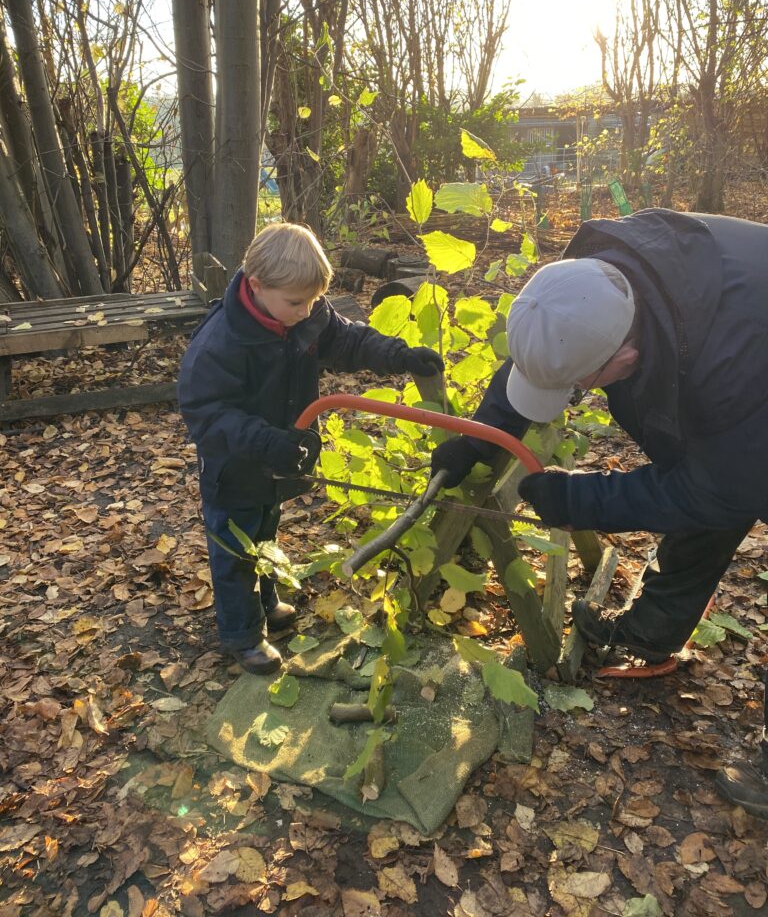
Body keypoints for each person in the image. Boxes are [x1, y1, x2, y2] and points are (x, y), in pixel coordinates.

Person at [430, 207, 768, 812]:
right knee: (703, 494)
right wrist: (477, 440)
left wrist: (584, 500)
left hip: (754, 389)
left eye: (585, 383)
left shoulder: (732, 360)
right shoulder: (588, 292)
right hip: (735, 414)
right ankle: (650, 637)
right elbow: (544, 355)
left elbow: (719, 490)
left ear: (624, 361)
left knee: (712, 489)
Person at [179, 222, 442, 675]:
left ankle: (266, 600)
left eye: (313, 301)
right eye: (296, 302)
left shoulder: (303, 314)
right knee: (234, 546)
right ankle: (242, 633)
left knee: (265, 529)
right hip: (236, 466)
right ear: (257, 287)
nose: (306, 312)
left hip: (279, 459)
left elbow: (349, 339)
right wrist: (266, 442)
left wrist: (399, 355)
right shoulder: (221, 343)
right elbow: (208, 415)